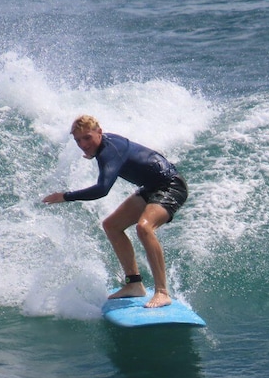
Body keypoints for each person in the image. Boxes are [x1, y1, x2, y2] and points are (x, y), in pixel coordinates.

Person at [42, 115, 188, 308]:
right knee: (111, 225)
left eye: (87, 138)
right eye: (78, 140)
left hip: (171, 186)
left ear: (99, 132)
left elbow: (102, 189)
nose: (83, 144)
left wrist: (65, 196)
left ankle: (162, 292)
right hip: (151, 187)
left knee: (144, 228)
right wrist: (93, 151)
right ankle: (134, 284)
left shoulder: (109, 152)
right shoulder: (104, 145)